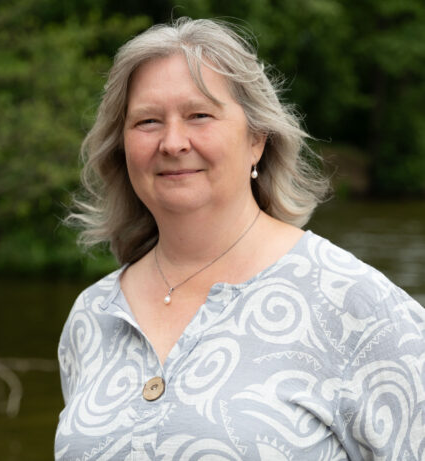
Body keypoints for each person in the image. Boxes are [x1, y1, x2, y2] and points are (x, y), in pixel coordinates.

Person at [55, 17, 425, 461]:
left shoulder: (354, 303)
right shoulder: (93, 315)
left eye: (199, 115)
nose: (172, 142)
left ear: (257, 139)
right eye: (147, 121)